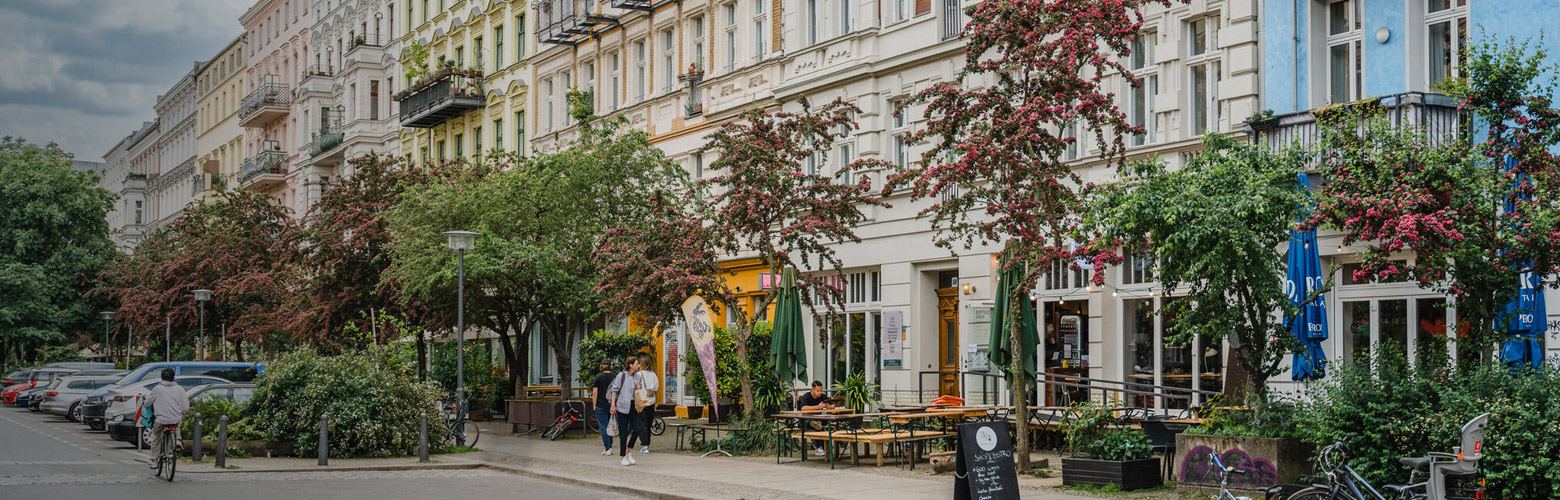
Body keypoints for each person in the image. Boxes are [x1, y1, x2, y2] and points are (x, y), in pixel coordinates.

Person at [142, 368, 189, 468]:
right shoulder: (180, 389)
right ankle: (177, 440)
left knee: (156, 436)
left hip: (161, 420)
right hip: (175, 419)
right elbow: (185, 408)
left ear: (162, 378)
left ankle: (154, 460)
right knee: (177, 423)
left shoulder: (157, 389)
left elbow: (147, 403)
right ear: (173, 377)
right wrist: (182, 413)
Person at [607, 356, 643, 466]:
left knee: (637, 429)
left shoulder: (638, 376)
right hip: (622, 407)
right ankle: (623, 456)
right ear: (630, 365)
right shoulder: (621, 375)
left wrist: (638, 387)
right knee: (623, 433)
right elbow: (614, 390)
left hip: (633, 406)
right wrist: (613, 404)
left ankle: (629, 450)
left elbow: (639, 391)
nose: (638, 366)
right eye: (636, 364)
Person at [797, 381, 834, 456]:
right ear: (813, 389)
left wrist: (827, 406)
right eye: (818, 391)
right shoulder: (806, 396)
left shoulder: (822, 396)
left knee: (823, 426)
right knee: (816, 427)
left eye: (821, 390)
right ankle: (819, 447)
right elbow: (803, 408)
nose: (820, 392)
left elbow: (833, 406)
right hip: (806, 420)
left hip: (820, 419)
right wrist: (818, 407)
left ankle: (821, 448)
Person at [590, 360, 615, 455]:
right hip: (610, 404)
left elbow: (595, 393)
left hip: (600, 405)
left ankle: (607, 448)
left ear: (601, 366)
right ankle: (610, 447)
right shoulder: (614, 377)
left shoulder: (598, 377)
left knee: (603, 427)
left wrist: (594, 405)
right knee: (610, 426)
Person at [636, 355, 660, 454]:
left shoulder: (638, 375)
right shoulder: (653, 375)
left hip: (641, 401)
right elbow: (656, 387)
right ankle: (647, 443)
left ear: (642, 364)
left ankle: (644, 444)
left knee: (642, 423)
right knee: (649, 422)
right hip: (651, 401)